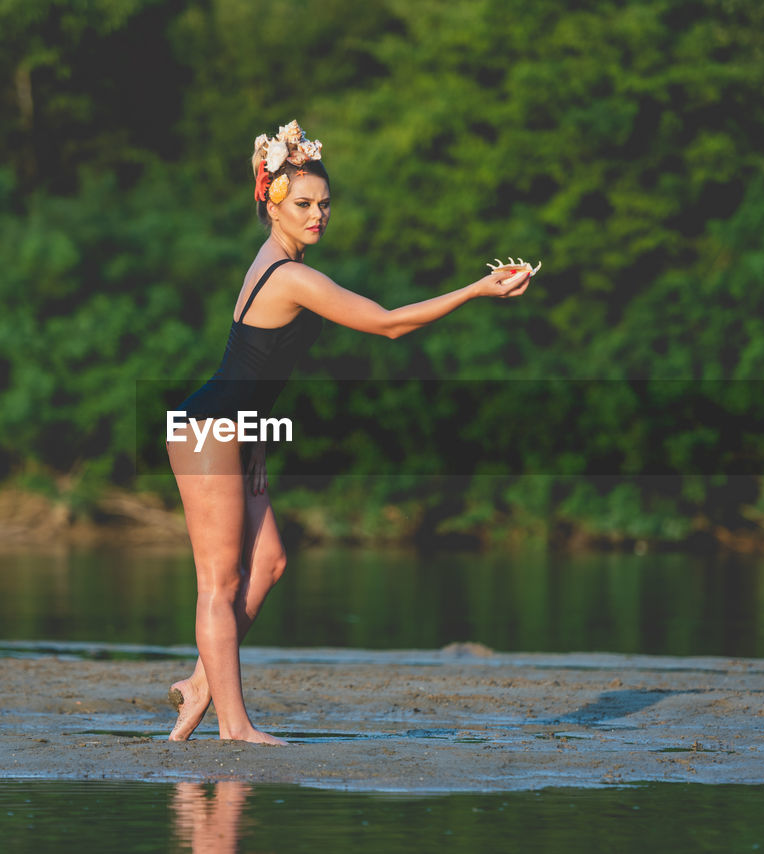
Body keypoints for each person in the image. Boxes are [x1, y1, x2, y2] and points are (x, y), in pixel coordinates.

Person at [165, 120, 532, 745]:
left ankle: (203, 681)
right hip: (208, 427)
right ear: (271, 203)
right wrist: (475, 289)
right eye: (304, 204)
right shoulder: (289, 276)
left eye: (325, 204)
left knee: (270, 563)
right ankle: (233, 726)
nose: (318, 215)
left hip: (236, 425)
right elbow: (388, 325)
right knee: (219, 580)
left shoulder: (283, 260)